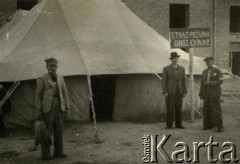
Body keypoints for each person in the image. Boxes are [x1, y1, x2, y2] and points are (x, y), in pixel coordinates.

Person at [35, 58, 70, 160]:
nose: (52, 68)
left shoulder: (61, 78)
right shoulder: (42, 79)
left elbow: (65, 93)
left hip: (59, 106)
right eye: (50, 66)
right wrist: (38, 109)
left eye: (54, 66)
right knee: (47, 131)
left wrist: (67, 107)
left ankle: (58, 152)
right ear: (47, 67)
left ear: (57, 67)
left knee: (59, 130)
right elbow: (37, 95)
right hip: (47, 108)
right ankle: (46, 154)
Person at [162, 52, 187, 129]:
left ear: (177, 59)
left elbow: (184, 81)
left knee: (179, 108)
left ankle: (179, 124)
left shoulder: (182, 69)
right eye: (173, 59)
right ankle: (169, 125)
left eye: (176, 58)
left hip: (179, 92)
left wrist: (185, 91)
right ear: (171, 60)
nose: (174, 60)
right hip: (170, 93)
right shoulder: (166, 69)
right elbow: (163, 81)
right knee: (170, 109)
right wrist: (165, 91)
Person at [199, 57, 223, 132]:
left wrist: (210, 83)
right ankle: (207, 125)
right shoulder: (204, 72)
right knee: (206, 109)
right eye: (206, 62)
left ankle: (219, 126)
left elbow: (220, 81)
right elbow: (202, 84)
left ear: (212, 62)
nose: (208, 63)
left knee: (216, 109)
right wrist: (201, 93)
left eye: (209, 62)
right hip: (206, 94)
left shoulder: (217, 70)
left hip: (215, 93)